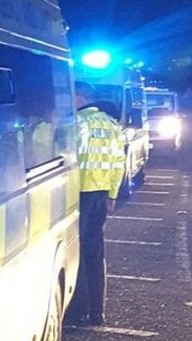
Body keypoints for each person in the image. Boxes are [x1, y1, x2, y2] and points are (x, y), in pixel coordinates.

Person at [67, 81, 127, 326]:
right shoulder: (112, 125)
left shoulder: (79, 123)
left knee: (75, 251)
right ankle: (96, 311)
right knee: (95, 252)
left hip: (78, 193)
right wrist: (113, 194)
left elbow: (67, 154)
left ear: (80, 98)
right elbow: (118, 162)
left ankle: (76, 311)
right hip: (101, 194)